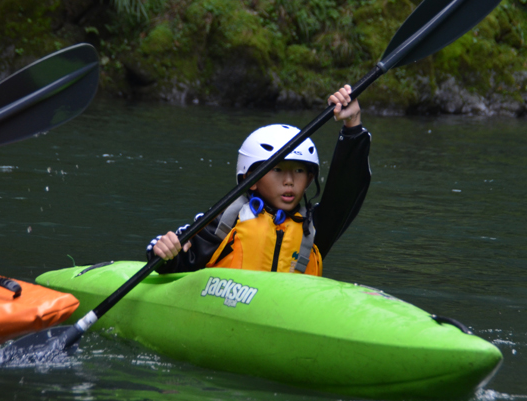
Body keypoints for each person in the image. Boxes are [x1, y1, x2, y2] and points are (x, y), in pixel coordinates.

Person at [147, 85, 371, 276]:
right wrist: (164, 252)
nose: (289, 181)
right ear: (250, 180)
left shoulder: (314, 227)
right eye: (277, 170)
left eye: (299, 170)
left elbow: (346, 191)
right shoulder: (226, 219)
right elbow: (179, 261)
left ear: (310, 178)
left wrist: (352, 126)